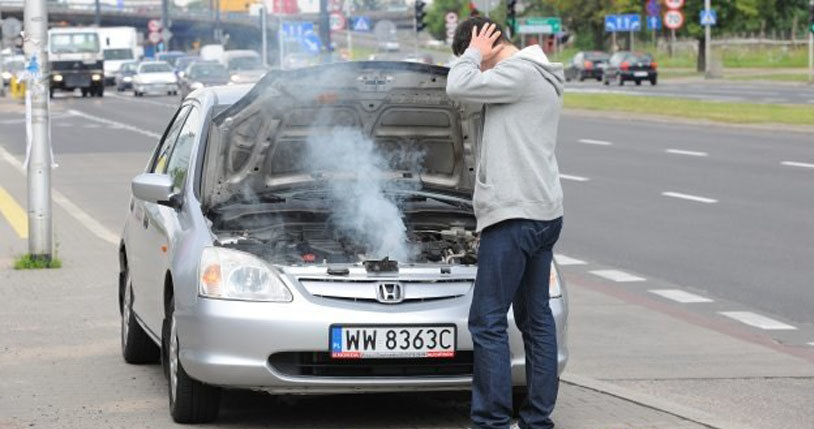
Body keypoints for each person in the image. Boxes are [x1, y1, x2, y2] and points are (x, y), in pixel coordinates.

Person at [445, 17, 565, 429]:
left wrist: (474, 51)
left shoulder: (518, 72)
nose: (476, 68)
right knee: (536, 320)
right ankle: (536, 421)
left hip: (515, 215)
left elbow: (457, 87)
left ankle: (492, 421)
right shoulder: (538, 74)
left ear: (489, 43)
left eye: (474, 59)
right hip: (542, 211)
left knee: (487, 321)